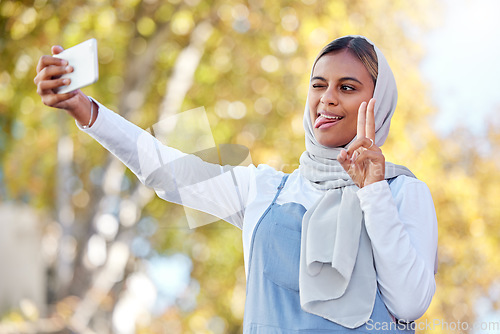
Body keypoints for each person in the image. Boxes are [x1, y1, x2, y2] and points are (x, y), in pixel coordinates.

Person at [35, 35, 438, 333]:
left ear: (379, 103)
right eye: (318, 85)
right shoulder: (266, 190)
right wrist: (86, 111)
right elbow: (168, 172)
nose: (327, 99)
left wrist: (372, 191)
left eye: (347, 88)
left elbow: (410, 301)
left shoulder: (401, 191)